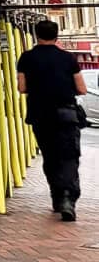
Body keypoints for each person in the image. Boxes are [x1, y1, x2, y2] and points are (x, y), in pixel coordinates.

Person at [16, 19, 89, 221]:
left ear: (36, 35)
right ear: (57, 35)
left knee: (50, 157)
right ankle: (68, 198)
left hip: (40, 115)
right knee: (69, 157)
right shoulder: (68, 58)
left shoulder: (26, 58)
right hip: (66, 114)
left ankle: (57, 198)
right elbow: (82, 88)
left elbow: (22, 88)